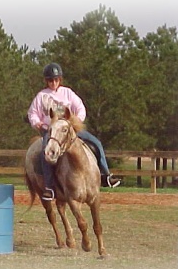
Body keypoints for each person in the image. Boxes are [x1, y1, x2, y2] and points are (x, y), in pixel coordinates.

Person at [27, 62, 120, 200]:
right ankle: (49, 187)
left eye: (56, 79)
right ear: (46, 81)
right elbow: (32, 113)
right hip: (51, 131)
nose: (54, 82)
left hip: (70, 129)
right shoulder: (41, 96)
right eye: (51, 80)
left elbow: (80, 108)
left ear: (60, 80)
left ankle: (106, 175)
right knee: (46, 154)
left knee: (96, 143)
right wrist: (37, 123)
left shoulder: (68, 93)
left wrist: (76, 122)